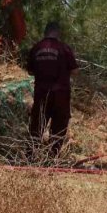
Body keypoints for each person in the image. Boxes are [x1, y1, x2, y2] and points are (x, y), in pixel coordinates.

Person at [27, 21, 78, 157]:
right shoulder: (64, 48)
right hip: (61, 94)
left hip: (41, 94)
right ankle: (53, 156)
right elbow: (74, 70)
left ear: (45, 32)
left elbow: (30, 72)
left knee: (37, 125)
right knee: (59, 125)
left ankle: (32, 156)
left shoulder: (36, 48)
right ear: (57, 32)